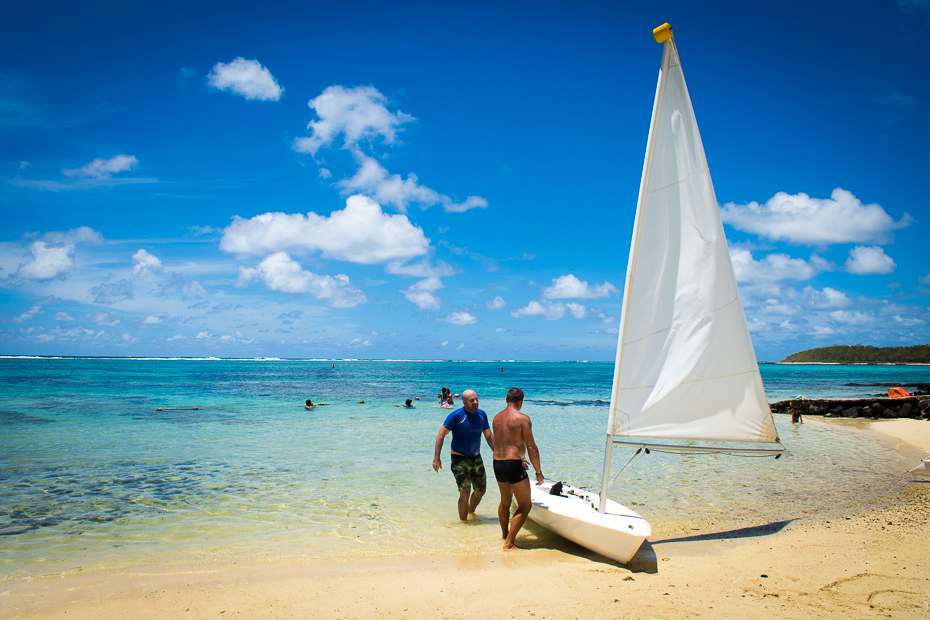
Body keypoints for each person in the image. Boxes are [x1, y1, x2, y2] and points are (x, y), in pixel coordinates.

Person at [492, 387, 543, 550]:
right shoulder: (522, 418)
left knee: (505, 501)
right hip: (513, 465)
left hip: (498, 463)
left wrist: (520, 457)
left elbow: (503, 442)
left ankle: (504, 535)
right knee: (524, 505)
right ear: (521, 401)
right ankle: (509, 544)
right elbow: (532, 447)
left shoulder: (496, 418)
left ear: (506, 400)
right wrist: (539, 472)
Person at [432, 389, 494, 521]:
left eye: (477, 399)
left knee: (480, 491)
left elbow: (489, 436)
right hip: (459, 458)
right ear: (464, 402)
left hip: (476, 457)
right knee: (465, 491)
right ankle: (464, 523)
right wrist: (437, 458)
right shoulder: (456, 416)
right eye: (472, 400)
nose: (475, 402)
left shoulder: (482, 415)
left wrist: (499, 454)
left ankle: (470, 512)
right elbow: (441, 435)